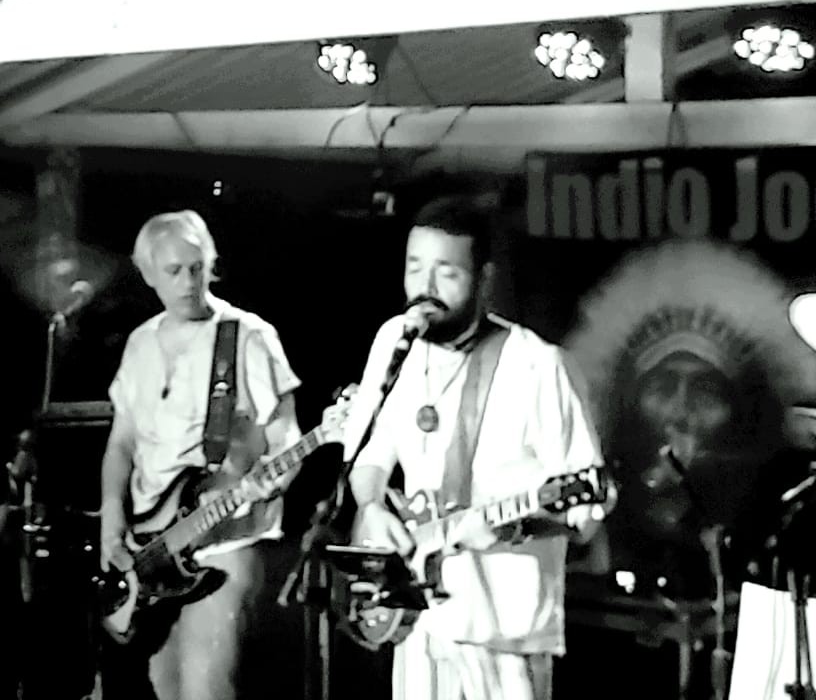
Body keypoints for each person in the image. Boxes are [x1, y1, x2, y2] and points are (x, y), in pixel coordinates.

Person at [342, 195, 610, 700]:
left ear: (484, 279)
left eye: (446, 273)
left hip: (504, 629)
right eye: (415, 268)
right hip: (419, 617)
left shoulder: (538, 366)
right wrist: (372, 507)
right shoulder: (395, 342)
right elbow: (369, 455)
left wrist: (512, 528)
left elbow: (587, 512)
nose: (425, 288)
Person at [99, 210, 302, 700]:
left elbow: (288, 438)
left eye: (198, 267)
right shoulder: (140, 343)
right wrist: (111, 515)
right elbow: (122, 443)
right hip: (151, 548)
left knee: (205, 687)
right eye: (174, 271)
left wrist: (271, 481)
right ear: (148, 274)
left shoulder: (248, 336)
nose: (190, 282)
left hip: (225, 542)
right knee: (162, 688)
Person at [565, 239, 816, 598]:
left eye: (706, 391)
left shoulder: (767, 511)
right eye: (662, 387)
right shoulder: (603, 506)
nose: (681, 410)